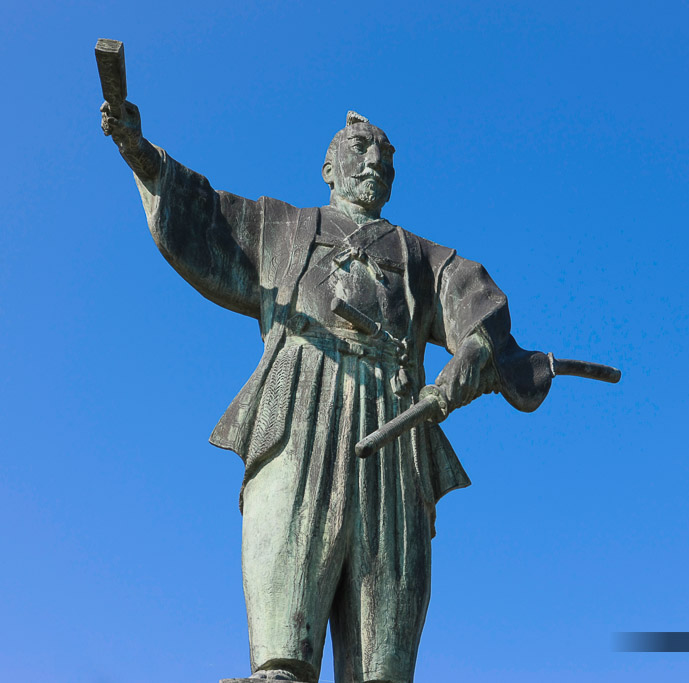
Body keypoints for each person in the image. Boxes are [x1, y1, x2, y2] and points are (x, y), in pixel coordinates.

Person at [101, 102, 555, 683]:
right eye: (362, 151)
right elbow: (204, 215)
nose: (376, 164)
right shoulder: (281, 227)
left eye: (387, 157)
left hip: (394, 421)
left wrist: (474, 354)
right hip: (300, 408)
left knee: (384, 640)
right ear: (328, 167)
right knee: (286, 605)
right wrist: (141, 154)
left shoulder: (427, 259)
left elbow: (478, 309)